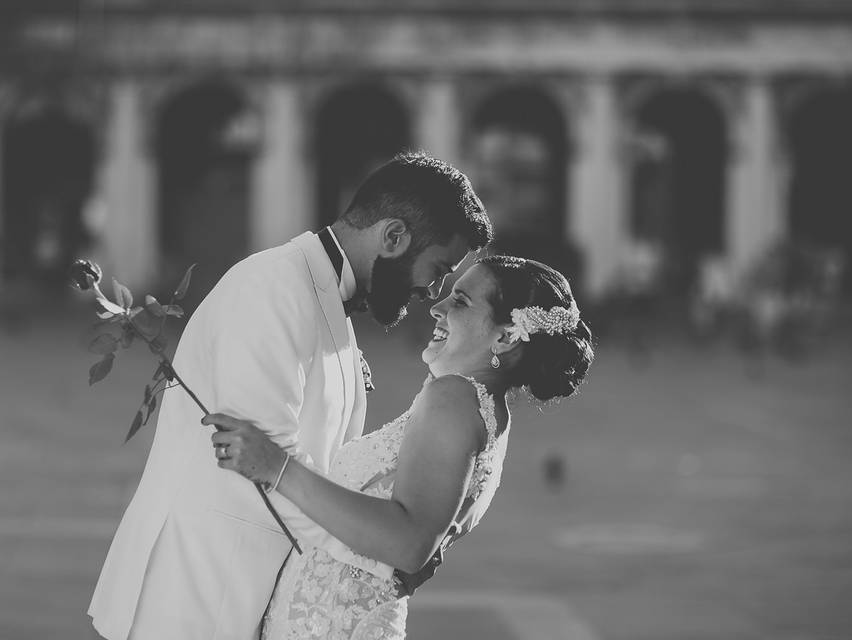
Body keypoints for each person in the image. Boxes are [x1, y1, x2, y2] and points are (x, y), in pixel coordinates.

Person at [88, 151, 493, 640]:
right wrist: (385, 555)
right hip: (196, 595)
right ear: (393, 237)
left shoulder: (325, 295)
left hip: (250, 594)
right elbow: (260, 469)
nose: (433, 290)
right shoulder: (272, 290)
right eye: (440, 267)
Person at [207, 255, 595, 639]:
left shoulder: (453, 399)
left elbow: (409, 545)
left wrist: (276, 466)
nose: (437, 307)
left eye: (460, 301)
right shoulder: (486, 411)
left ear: (507, 336)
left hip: (331, 624)